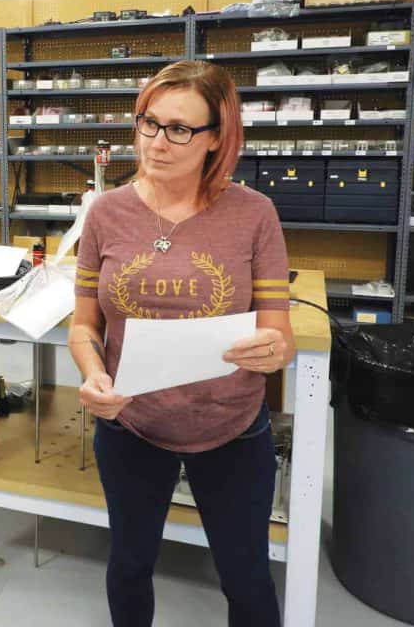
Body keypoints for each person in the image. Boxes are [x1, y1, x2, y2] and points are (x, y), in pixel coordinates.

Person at [69, 60, 294, 627]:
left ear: (216, 138)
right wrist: (94, 374)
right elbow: (83, 326)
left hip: (232, 427)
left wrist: (273, 350)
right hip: (131, 424)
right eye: (149, 122)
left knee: (246, 577)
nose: (157, 142)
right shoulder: (105, 211)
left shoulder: (254, 214)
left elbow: (279, 331)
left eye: (180, 129)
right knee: (129, 564)